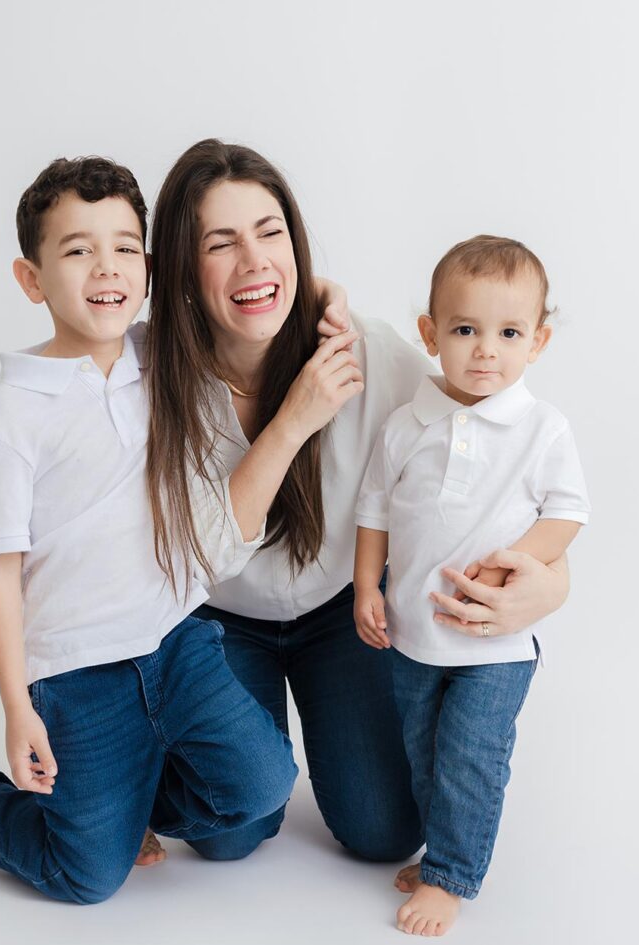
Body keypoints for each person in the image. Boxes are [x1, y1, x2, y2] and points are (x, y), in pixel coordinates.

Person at [0, 156, 354, 903]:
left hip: (174, 641)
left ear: (151, 271)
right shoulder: (6, 421)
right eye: (78, 250)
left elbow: (243, 299)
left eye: (125, 247)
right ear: (31, 279)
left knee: (264, 785)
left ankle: (131, 804)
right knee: (88, 876)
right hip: (77, 673)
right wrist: (17, 706)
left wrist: (324, 293)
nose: (106, 267)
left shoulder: (158, 355)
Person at [146, 140, 576, 867]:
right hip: (217, 617)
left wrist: (551, 581)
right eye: (221, 244)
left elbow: (504, 466)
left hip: (344, 611)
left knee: (385, 832)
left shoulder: (370, 351)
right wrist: (295, 418)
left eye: (270, 233)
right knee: (227, 836)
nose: (254, 261)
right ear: (184, 267)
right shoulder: (151, 379)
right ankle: (127, 776)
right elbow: (203, 551)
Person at [353, 235, 590, 936]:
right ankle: (440, 853)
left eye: (509, 333)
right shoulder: (405, 426)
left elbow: (567, 514)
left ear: (537, 341)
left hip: (494, 644)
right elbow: (374, 512)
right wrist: (366, 587)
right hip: (414, 634)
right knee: (425, 750)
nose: (486, 351)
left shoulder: (542, 429)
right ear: (430, 335)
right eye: (465, 330)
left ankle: (452, 876)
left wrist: (512, 562)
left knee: (469, 758)